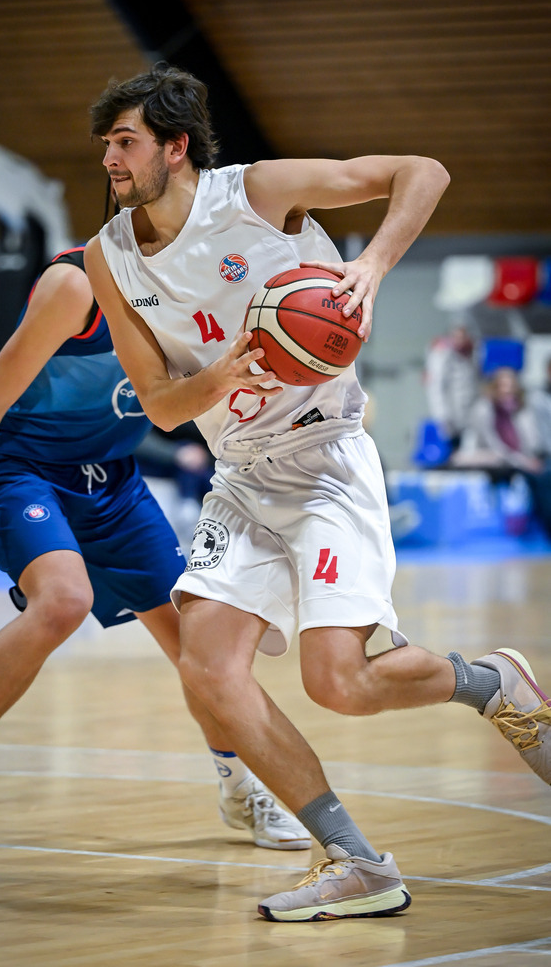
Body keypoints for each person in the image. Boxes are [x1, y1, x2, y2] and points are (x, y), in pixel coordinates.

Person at [83, 63, 551, 923]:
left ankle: (489, 683)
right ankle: (357, 862)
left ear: (174, 148)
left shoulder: (256, 192)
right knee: (208, 668)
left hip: (326, 455)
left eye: (125, 143)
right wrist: (218, 377)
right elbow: (156, 401)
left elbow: (424, 172)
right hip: (239, 475)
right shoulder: (106, 257)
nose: (109, 159)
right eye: (106, 144)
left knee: (337, 682)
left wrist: (369, 265)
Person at [0, 245, 310, 854]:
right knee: (62, 602)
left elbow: (180, 411)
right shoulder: (76, 285)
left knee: (200, 647)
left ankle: (240, 791)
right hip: (24, 468)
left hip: (114, 480)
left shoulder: (207, 303)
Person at [451, 365, 551, 538]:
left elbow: (532, 442)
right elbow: (495, 447)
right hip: (497, 460)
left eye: (511, 385)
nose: (507, 389)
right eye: (502, 385)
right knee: (540, 478)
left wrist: (529, 458)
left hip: (522, 459)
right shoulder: (483, 410)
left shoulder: (522, 410)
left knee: (546, 473)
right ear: (494, 388)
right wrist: (522, 461)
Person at [423, 323, 480, 455]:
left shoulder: (472, 353)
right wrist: (441, 416)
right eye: (456, 336)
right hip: (449, 417)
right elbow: (436, 387)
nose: (460, 340)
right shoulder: (441, 354)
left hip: (468, 415)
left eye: (463, 336)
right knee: (450, 453)